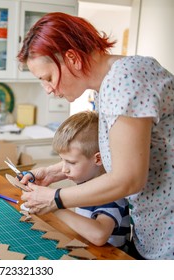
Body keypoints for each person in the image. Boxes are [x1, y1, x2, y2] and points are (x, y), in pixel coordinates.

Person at [17, 12, 173, 259]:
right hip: (151, 231)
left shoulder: (127, 78)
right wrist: (53, 172)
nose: (48, 89)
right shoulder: (107, 88)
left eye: (48, 78)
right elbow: (115, 154)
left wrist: (55, 199)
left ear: (72, 58)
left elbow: (129, 178)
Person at [51, 110, 130, 248]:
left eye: (72, 162)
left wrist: (53, 206)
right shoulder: (85, 183)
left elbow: (100, 235)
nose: (64, 169)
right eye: (62, 160)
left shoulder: (109, 192)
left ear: (98, 158)